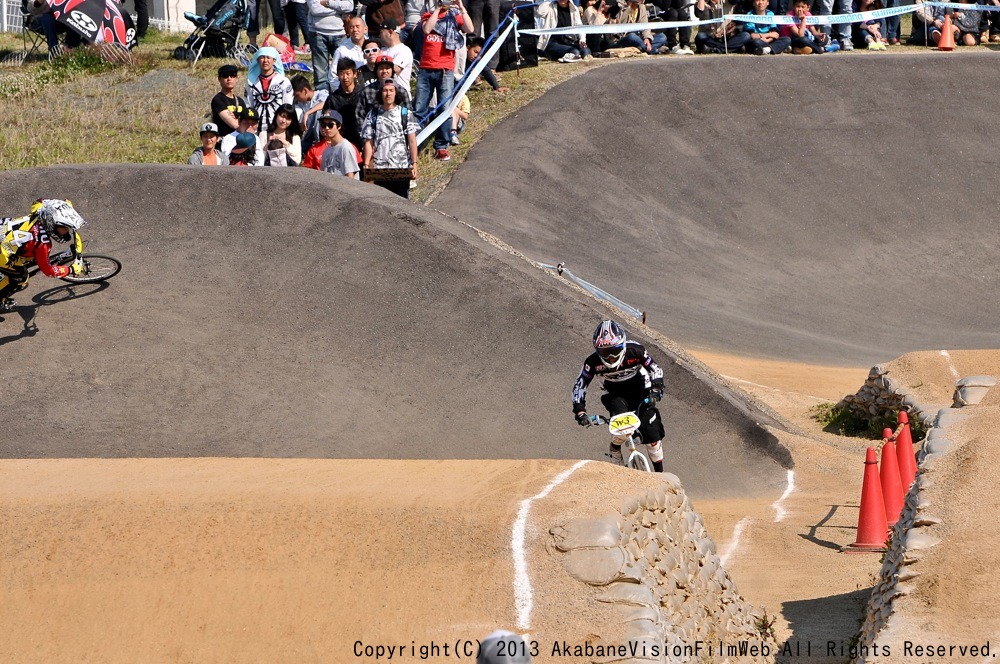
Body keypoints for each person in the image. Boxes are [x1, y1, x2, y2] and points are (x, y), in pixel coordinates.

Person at [572, 320, 667, 473]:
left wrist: (656, 388)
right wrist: (580, 411)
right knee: (621, 425)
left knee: (652, 435)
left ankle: (661, 475)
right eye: (604, 353)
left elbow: (655, 369)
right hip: (615, 396)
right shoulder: (592, 362)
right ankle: (615, 448)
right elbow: (580, 385)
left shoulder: (636, 350)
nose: (610, 357)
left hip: (642, 391)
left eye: (614, 351)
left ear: (622, 345)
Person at [0, 199, 87, 312]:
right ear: (51, 224)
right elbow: (48, 270)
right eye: (64, 228)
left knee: (26, 253)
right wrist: (70, 269)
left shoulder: (40, 209)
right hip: (2, 254)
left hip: (3, 232)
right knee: (22, 279)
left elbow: (41, 201)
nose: (66, 231)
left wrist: (65, 205)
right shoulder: (43, 244)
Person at [416, 0, 474, 161]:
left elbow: (470, 29)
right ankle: (416, 145)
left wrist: (462, 8)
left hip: (445, 70)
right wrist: (437, 9)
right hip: (426, 69)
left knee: (446, 109)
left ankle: (441, 146)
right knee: (419, 109)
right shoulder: (427, 15)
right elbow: (427, 29)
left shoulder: (455, 17)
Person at [362, 78, 419, 198]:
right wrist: (366, 164)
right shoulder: (372, 115)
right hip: (380, 171)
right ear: (380, 93)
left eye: (391, 90)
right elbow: (368, 141)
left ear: (396, 93)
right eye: (385, 90)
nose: (388, 94)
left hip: (401, 169)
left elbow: (412, 141)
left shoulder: (406, 114)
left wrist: (414, 163)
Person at [245, 47, 295, 137]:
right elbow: (249, 105)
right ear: (257, 60)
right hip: (256, 129)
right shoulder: (251, 82)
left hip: (278, 129)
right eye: (262, 57)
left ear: (274, 61)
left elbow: (287, 106)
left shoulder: (283, 81)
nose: (265, 60)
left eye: (268, 57)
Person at [355, 54, 412, 133]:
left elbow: (409, 116)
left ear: (392, 70)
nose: (384, 71)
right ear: (376, 71)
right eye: (381, 68)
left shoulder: (401, 91)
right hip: (373, 136)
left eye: (387, 68)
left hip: (397, 136)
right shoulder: (367, 91)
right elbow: (359, 117)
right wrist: (366, 139)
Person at [307, 0, 355, 92]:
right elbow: (315, 9)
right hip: (317, 33)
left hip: (340, 33)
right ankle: (322, 99)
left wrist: (328, 3)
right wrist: (339, 10)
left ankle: (343, 95)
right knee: (320, 73)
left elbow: (349, 6)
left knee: (344, 68)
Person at [324, 58, 366, 149]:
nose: (345, 77)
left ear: (355, 74)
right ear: (338, 75)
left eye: (348, 73)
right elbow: (326, 123)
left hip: (361, 141)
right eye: (341, 74)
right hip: (339, 143)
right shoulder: (332, 99)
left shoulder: (363, 95)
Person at [317, 110, 362, 177]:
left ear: (339, 126)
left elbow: (350, 177)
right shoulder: (325, 152)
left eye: (330, 125)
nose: (326, 128)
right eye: (323, 125)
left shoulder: (346, 147)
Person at [292, 74, 329, 150]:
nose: (296, 98)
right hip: (308, 136)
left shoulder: (321, 94)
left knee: (318, 112)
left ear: (305, 91)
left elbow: (326, 103)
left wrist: (307, 113)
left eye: (297, 95)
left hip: (322, 133)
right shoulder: (299, 103)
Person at [331, 16, 368, 89]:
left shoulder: (373, 47)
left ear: (365, 29)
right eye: (351, 27)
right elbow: (333, 76)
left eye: (358, 27)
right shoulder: (342, 50)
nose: (355, 30)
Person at [211, 64, 246, 136]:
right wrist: (240, 120)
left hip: (240, 140)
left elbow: (247, 123)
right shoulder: (218, 100)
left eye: (232, 75)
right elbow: (234, 124)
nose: (229, 78)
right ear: (219, 79)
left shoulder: (240, 101)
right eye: (225, 76)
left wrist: (238, 120)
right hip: (224, 141)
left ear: (237, 78)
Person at [379, 18, 414, 90]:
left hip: (401, 96)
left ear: (390, 32)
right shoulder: (381, 50)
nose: (379, 35)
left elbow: (394, 70)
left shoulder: (404, 50)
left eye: (381, 32)